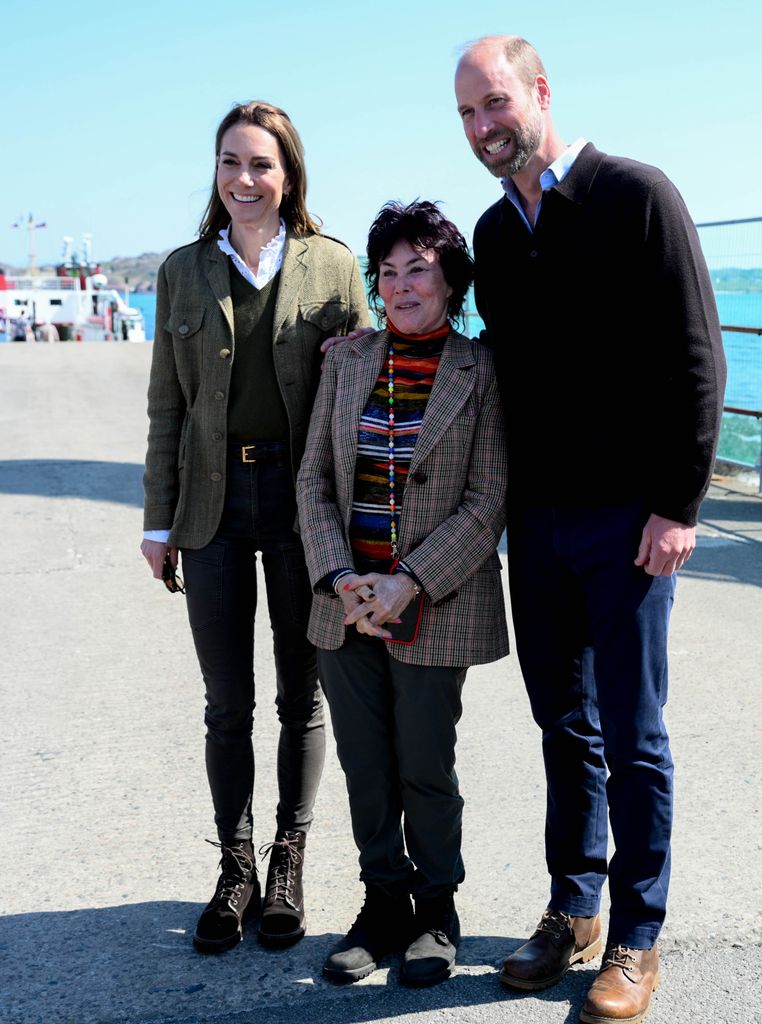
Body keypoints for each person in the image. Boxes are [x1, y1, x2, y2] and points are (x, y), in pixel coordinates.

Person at [453, 35, 726, 1024]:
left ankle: (638, 932)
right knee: (560, 725)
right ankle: (574, 906)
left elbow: (699, 357)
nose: (485, 127)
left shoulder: (637, 196)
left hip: (631, 522)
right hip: (538, 523)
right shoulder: (491, 233)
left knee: (632, 731)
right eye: (469, 115)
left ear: (538, 92)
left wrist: (680, 504)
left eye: (495, 104)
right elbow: (495, 362)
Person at [141, 100, 370, 954]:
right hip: (210, 513)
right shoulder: (182, 271)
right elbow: (168, 402)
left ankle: (289, 863)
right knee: (225, 705)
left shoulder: (335, 268)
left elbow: (355, 407)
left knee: (299, 697)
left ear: (288, 174)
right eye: (231, 162)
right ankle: (234, 867)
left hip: (306, 513)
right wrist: (157, 520)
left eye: (261, 164)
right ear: (216, 172)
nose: (245, 178)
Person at [297, 201, 508, 987]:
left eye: (418, 267)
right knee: (366, 765)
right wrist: (343, 578)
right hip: (343, 603)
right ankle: (381, 903)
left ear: (450, 278)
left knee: (425, 763)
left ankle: (436, 910)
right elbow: (313, 479)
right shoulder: (346, 361)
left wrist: (407, 580)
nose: (401, 284)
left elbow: (487, 499)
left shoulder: (480, 369)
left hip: (433, 604)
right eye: (387, 272)